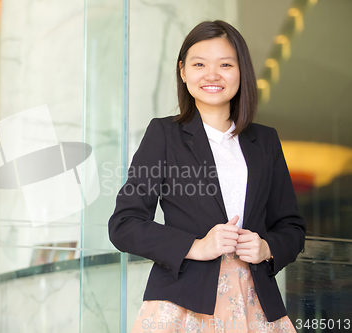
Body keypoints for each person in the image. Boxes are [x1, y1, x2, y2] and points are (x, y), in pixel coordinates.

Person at [108, 20, 306, 332]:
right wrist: (197, 246)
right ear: (183, 71)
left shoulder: (265, 141)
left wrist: (267, 248)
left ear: (241, 72)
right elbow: (124, 225)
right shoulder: (164, 134)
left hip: (255, 300)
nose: (212, 75)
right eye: (199, 64)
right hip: (182, 302)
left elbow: (291, 227)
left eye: (225, 64)